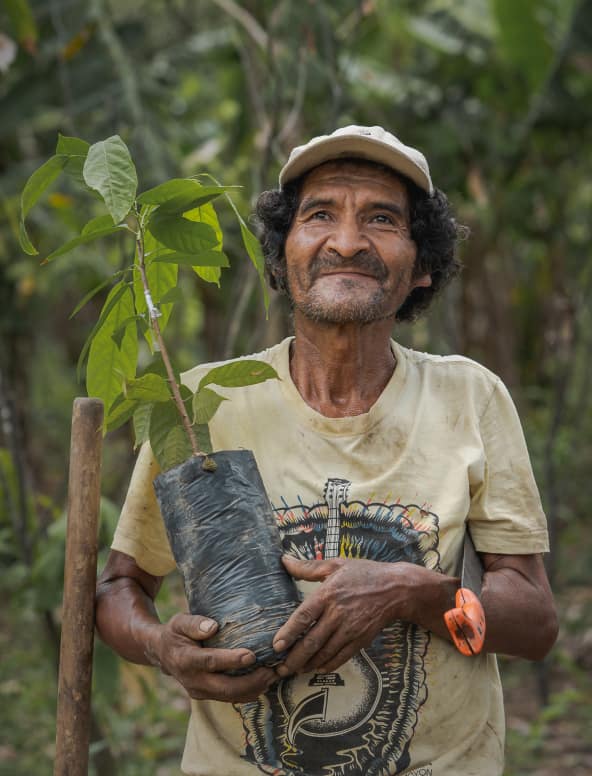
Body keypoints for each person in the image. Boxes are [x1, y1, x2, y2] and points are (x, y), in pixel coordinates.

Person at [96, 125, 558, 776]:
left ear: (423, 265)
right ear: (281, 259)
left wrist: (407, 592)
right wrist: (160, 646)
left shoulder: (469, 397)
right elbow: (121, 586)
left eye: (381, 218)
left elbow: (534, 625)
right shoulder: (199, 404)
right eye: (319, 215)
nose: (347, 241)